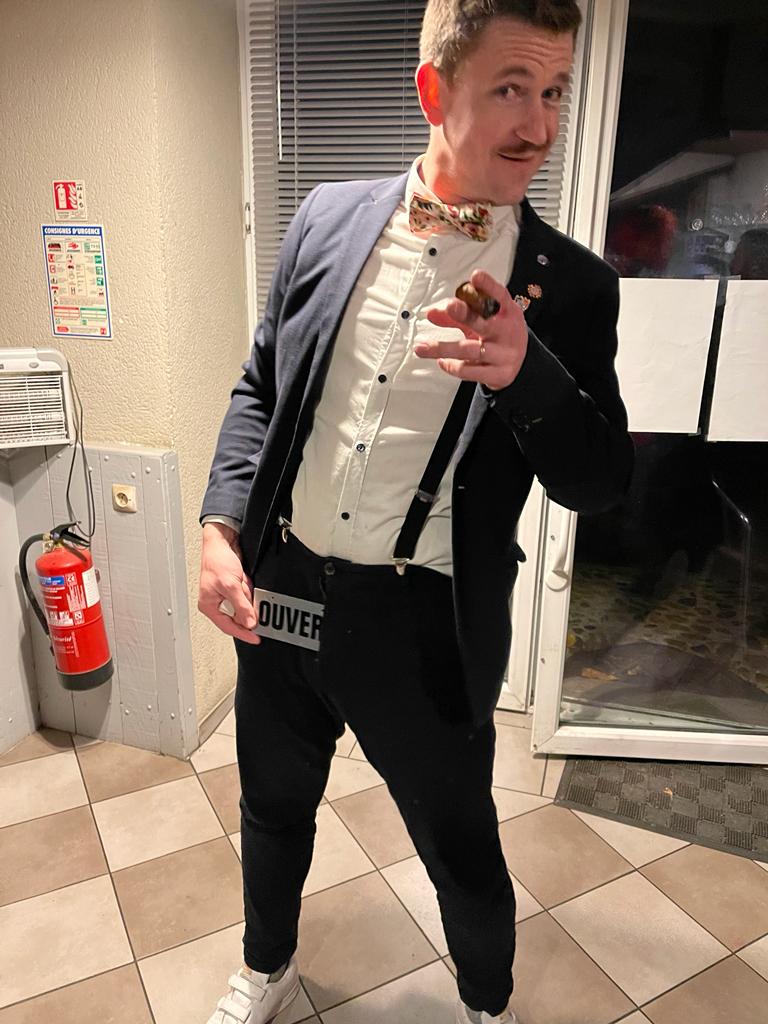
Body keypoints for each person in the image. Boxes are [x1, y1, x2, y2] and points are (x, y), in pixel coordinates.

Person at [198, 2, 634, 1022]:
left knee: (460, 848)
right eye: (512, 88)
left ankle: (486, 1003)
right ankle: (267, 966)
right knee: (271, 805)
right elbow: (262, 384)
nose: (540, 124)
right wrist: (220, 529)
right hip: (283, 590)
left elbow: (600, 479)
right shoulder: (326, 217)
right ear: (435, 90)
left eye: (555, 91)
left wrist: (528, 377)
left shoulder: (573, 289)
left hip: (423, 624)